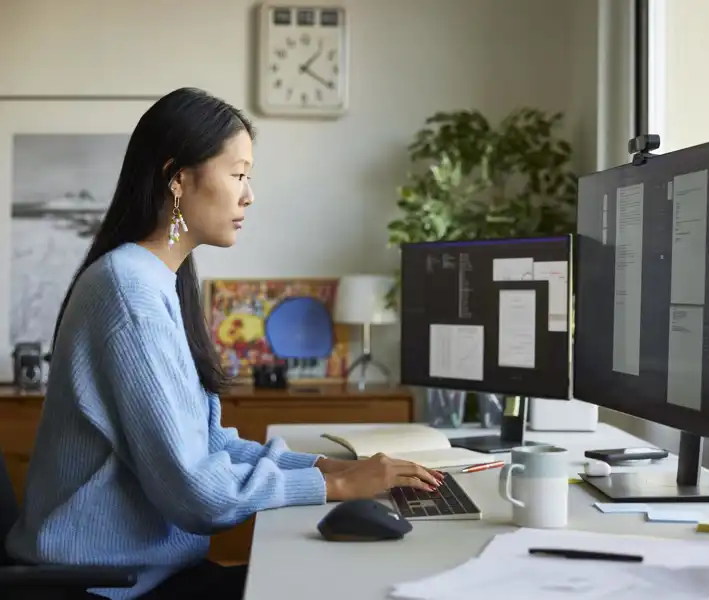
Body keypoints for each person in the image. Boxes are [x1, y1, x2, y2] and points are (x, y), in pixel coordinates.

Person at [4, 87, 442, 600]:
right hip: (106, 587)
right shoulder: (128, 292)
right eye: (238, 175)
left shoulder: (155, 281)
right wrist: (338, 487)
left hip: (144, 576)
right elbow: (197, 493)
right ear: (178, 178)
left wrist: (330, 467)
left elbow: (209, 445)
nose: (248, 195)